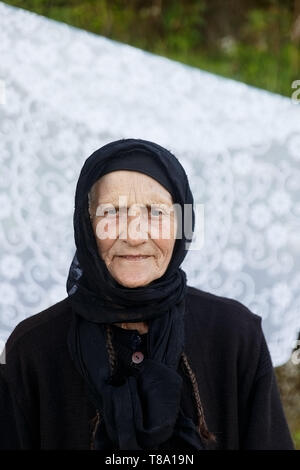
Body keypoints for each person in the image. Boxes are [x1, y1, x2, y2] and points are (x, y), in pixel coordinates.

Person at [0, 138, 295, 450]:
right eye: (112, 211)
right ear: (85, 223)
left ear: (182, 224)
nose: (135, 235)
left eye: (156, 212)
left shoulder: (235, 334)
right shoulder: (33, 348)